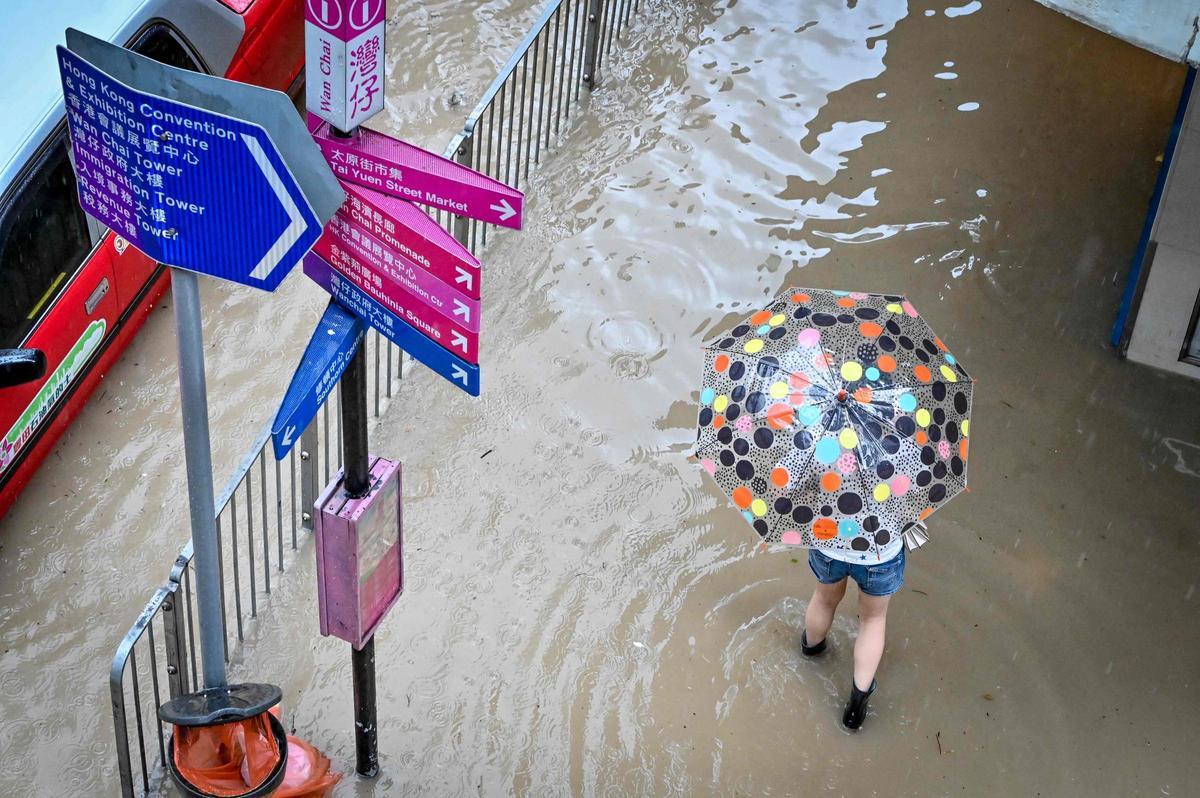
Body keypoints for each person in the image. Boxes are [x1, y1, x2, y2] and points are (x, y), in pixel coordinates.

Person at [800, 532, 906, 730]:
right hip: (880, 553)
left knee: (824, 600)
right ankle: (856, 706)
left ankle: (812, 650)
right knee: (873, 619)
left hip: (828, 544)